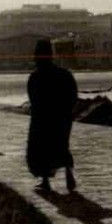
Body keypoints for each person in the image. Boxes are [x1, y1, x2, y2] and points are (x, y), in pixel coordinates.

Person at [25, 38, 78, 193]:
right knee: (62, 145)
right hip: (62, 117)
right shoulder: (65, 74)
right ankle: (68, 173)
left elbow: (34, 100)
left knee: (41, 149)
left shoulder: (35, 77)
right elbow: (72, 96)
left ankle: (46, 181)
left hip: (42, 118)